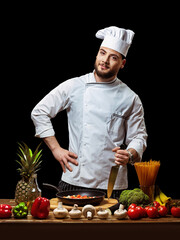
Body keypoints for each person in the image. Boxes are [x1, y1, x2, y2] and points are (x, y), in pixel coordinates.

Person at [31, 26, 147, 199]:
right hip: (74, 180)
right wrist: (56, 149)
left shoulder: (130, 98)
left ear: (122, 64)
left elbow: (139, 136)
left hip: (113, 184)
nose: (105, 60)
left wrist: (130, 154)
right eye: (102, 53)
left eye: (113, 57)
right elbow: (39, 112)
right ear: (97, 54)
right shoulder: (75, 86)